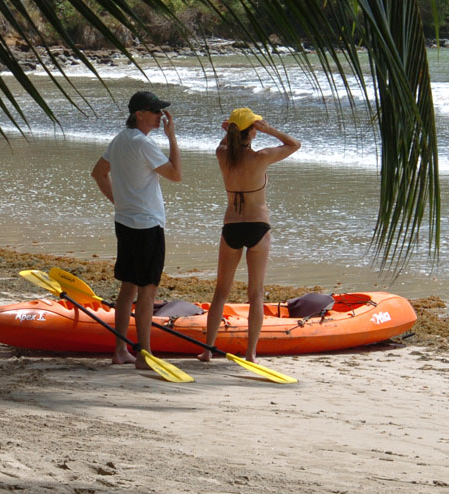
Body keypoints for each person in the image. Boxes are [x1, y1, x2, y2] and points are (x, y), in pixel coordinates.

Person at [198, 107, 300, 363]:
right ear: (253, 131)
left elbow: (227, 144)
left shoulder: (222, 155)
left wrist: (229, 131)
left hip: (231, 226)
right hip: (257, 227)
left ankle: (207, 350)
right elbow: (294, 144)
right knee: (255, 293)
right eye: (256, 126)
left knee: (221, 292)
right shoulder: (261, 157)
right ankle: (250, 353)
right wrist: (271, 130)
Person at [91, 91, 182, 369]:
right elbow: (176, 174)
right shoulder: (143, 144)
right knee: (147, 291)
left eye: (160, 112)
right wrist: (172, 138)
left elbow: (98, 173)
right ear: (139, 114)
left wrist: (118, 201)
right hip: (146, 225)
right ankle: (144, 354)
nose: (159, 117)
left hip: (126, 222)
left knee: (128, 288)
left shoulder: (120, 139)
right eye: (154, 112)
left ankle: (120, 350)